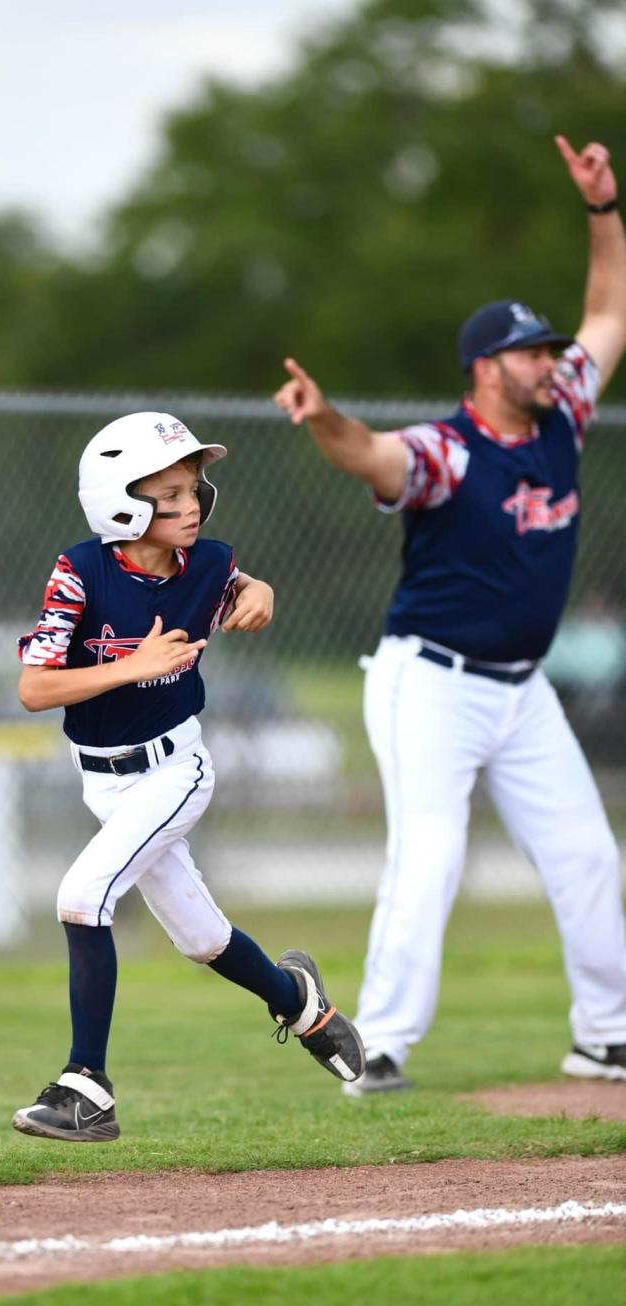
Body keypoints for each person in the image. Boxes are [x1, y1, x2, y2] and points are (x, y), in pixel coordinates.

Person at [274, 135, 626, 1095]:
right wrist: (323, 418)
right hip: (430, 680)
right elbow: (374, 456)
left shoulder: (563, 415)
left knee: (591, 855)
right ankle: (377, 1043)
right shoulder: (449, 451)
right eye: (529, 352)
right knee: (429, 855)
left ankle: (606, 1035)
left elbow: (610, 308)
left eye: (549, 350)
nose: (550, 360)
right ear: (484, 369)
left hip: (522, 689)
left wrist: (603, 208)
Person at [12, 411, 365, 1140]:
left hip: (176, 767)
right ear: (119, 500)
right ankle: (302, 1005)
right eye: (168, 493)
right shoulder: (81, 570)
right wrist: (130, 665)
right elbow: (34, 688)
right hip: (102, 781)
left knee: (82, 896)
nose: (190, 504)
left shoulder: (206, 562)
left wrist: (260, 590)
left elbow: (239, 584)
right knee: (202, 938)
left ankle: (87, 1087)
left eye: (193, 488)